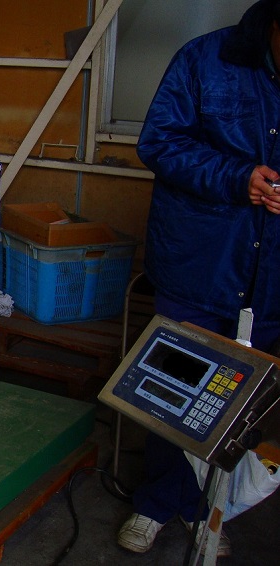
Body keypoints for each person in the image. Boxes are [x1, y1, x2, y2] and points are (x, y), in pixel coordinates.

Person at [117, 0, 280, 556]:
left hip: (271, 277)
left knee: (242, 406)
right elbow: (159, 142)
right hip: (200, 264)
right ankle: (156, 503)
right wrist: (238, 177)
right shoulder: (205, 59)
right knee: (174, 391)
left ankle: (206, 509)